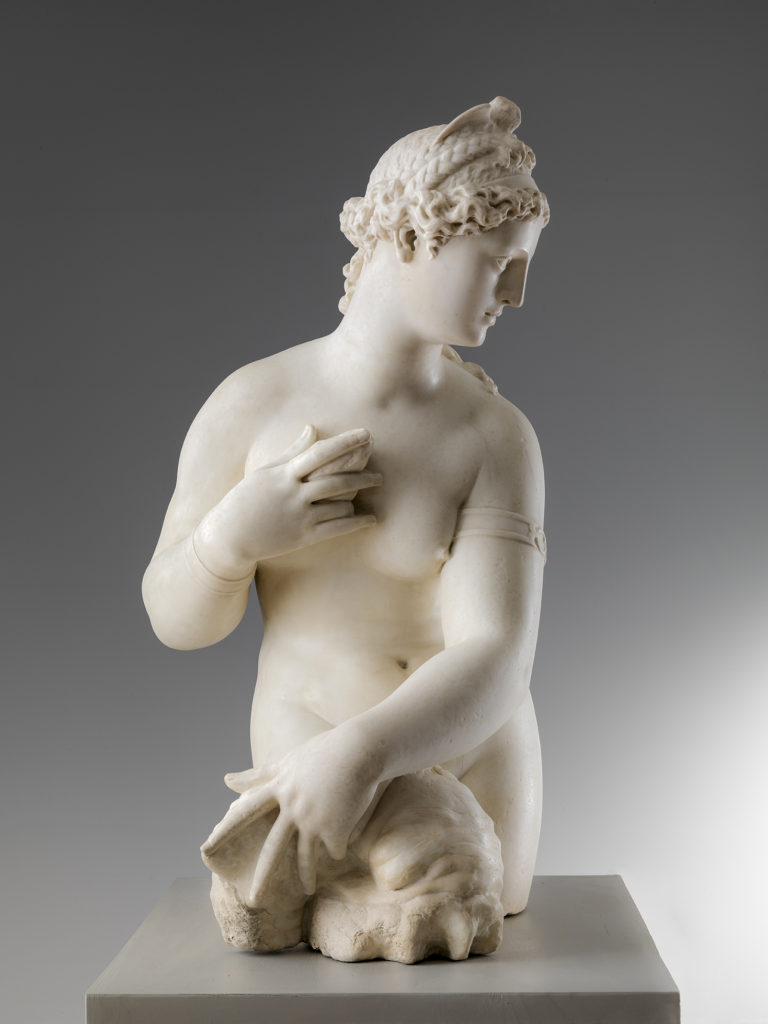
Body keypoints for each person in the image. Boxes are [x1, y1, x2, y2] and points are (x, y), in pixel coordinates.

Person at [142, 96, 550, 962]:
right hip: (313, 745)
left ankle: (381, 871)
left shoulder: (492, 436)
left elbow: (496, 654)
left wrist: (368, 752)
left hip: (471, 747)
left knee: (472, 892)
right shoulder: (254, 404)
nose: (516, 295)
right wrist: (231, 539)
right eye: (497, 263)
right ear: (412, 237)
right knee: (428, 892)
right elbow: (175, 620)